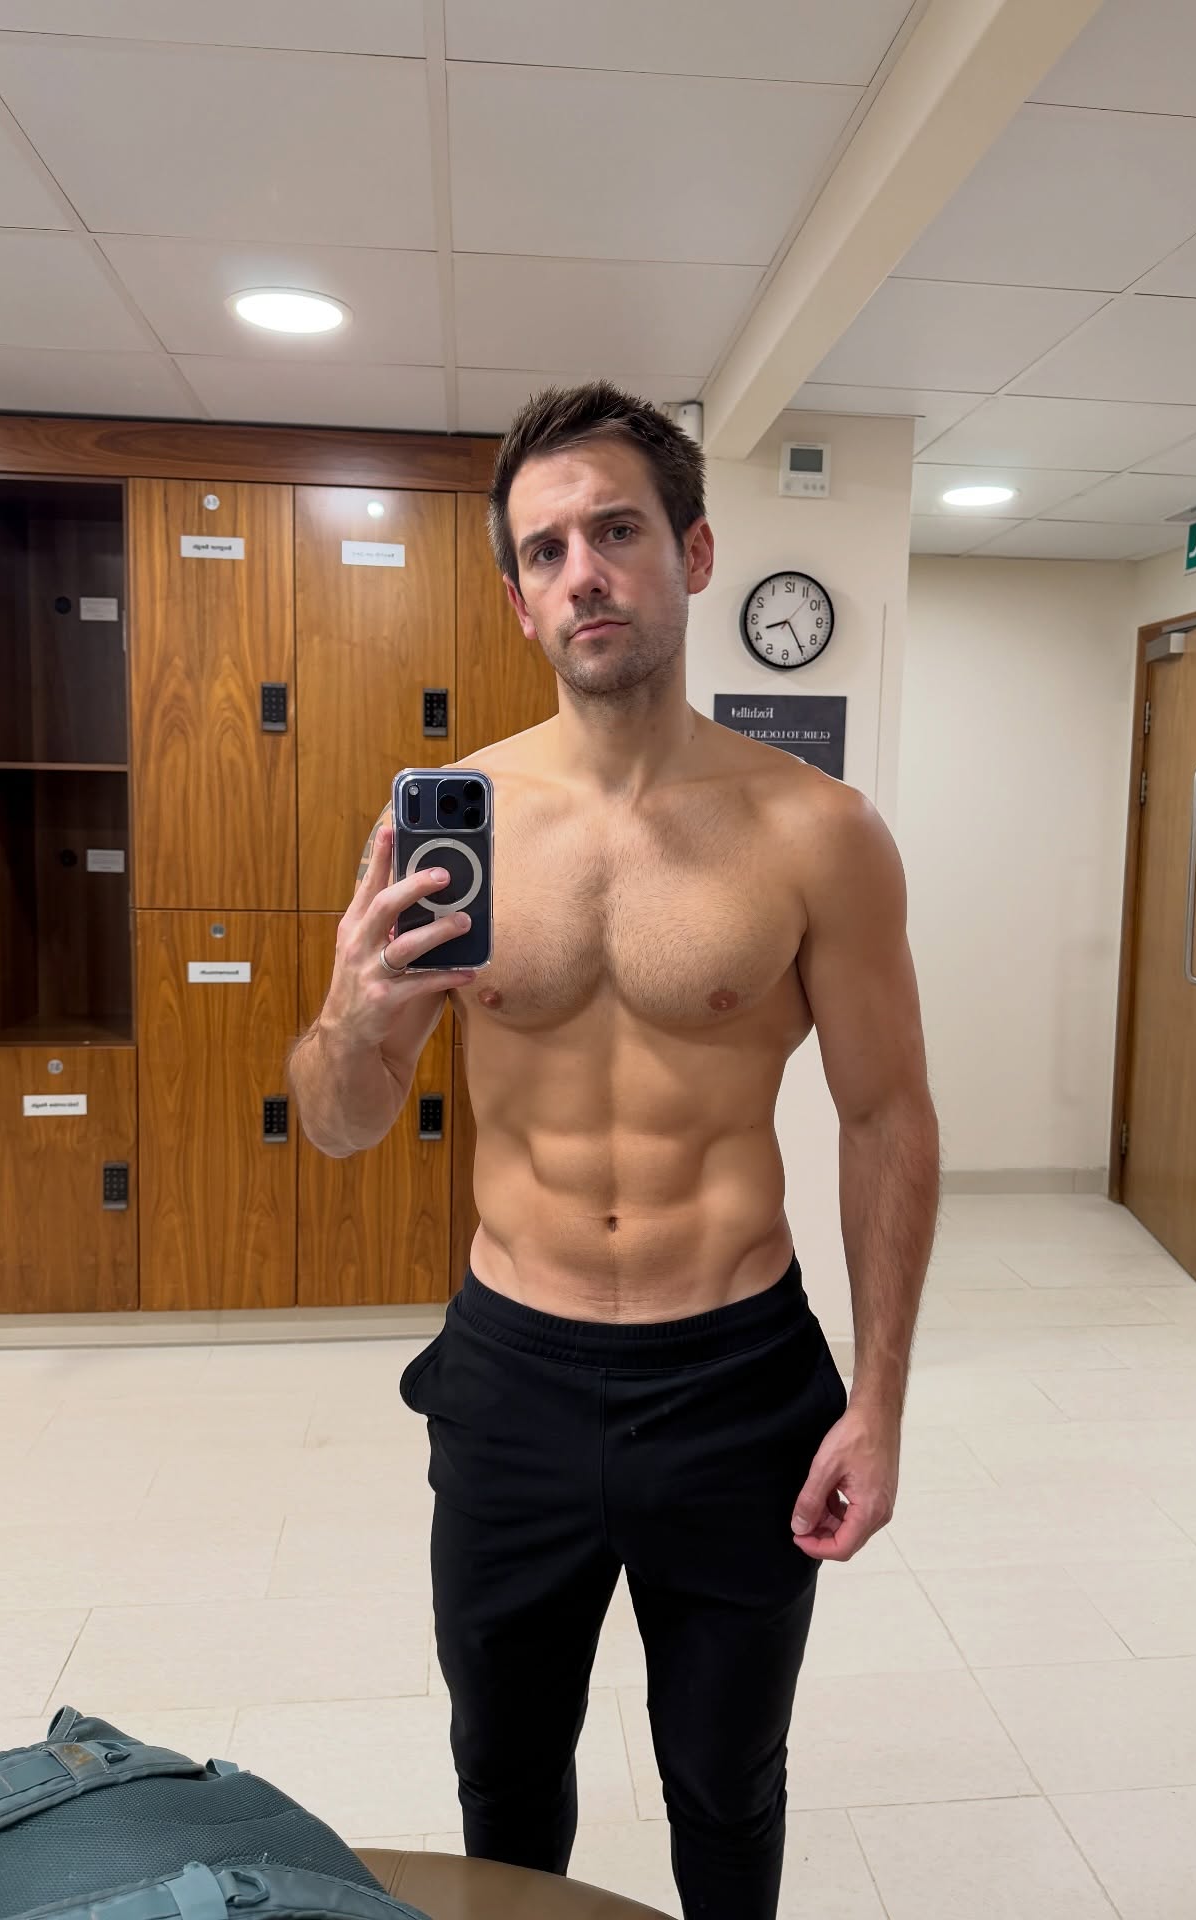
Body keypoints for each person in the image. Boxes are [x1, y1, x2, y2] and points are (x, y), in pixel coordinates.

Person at [287, 382, 940, 1920]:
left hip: (739, 1379)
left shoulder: (816, 831)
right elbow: (340, 1123)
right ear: (520, 600)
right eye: (545, 550)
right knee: (505, 1780)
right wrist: (348, 1013)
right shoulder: (457, 823)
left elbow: (886, 1118)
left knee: (728, 1780)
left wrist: (882, 1403)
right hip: (513, 1376)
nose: (582, 571)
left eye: (616, 531)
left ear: (691, 553)